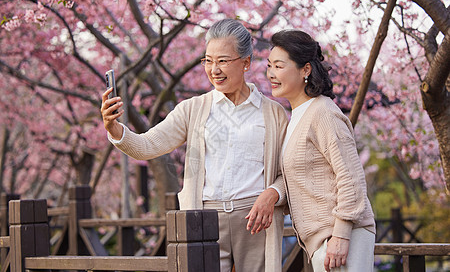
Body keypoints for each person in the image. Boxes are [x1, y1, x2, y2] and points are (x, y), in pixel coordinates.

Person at [101, 18, 288, 272]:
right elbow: (146, 145)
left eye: (222, 61)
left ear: (245, 63)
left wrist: (272, 194)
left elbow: (288, 173)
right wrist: (114, 128)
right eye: (208, 61)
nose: (214, 69)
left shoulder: (273, 113)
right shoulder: (193, 109)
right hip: (204, 220)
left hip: (255, 219)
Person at [266, 30, 376, 272]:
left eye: (279, 66)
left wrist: (341, 235)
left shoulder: (323, 113)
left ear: (305, 70)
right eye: (269, 65)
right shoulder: (297, 116)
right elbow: (300, 174)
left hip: (340, 237)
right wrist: (273, 192)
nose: (271, 74)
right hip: (323, 239)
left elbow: (351, 177)